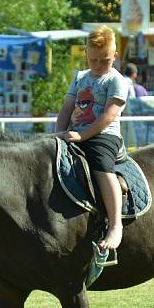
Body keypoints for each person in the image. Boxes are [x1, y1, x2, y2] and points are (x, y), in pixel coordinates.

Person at [56, 25, 128, 250]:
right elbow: (67, 109)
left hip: (103, 136)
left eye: (104, 60)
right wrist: (59, 133)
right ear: (86, 54)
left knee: (101, 166)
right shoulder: (79, 78)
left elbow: (109, 116)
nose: (97, 65)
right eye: (93, 59)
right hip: (76, 133)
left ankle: (116, 225)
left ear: (114, 56)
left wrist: (82, 135)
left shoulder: (116, 80)